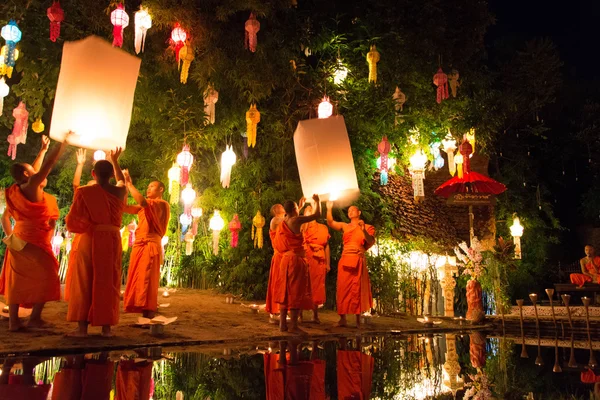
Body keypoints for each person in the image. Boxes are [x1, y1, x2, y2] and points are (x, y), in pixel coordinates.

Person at [0, 135, 69, 331]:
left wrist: (42, 150)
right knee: (47, 275)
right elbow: (48, 165)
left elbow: (37, 168)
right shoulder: (31, 186)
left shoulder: (16, 189)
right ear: (26, 173)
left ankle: (14, 321)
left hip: (18, 237)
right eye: (32, 170)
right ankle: (34, 318)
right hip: (34, 239)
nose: (37, 172)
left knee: (17, 279)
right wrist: (62, 144)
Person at [65, 150, 127, 337]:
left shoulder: (85, 192)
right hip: (111, 239)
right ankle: (106, 328)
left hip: (90, 238)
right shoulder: (119, 191)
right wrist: (115, 160)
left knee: (84, 279)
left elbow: (73, 221)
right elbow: (122, 180)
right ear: (111, 175)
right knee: (108, 280)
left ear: (93, 174)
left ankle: (82, 328)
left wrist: (89, 224)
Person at [122, 171, 170, 318]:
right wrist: (124, 186)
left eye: (152, 186)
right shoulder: (146, 205)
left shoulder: (161, 204)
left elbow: (143, 202)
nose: (148, 189)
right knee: (138, 277)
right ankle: (142, 309)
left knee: (148, 278)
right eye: (148, 187)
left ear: (160, 189)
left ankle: (149, 311)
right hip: (139, 244)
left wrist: (130, 184)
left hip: (150, 244)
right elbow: (125, 207)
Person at [273, 195, 320, 333]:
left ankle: (283, 324)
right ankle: (293, 325)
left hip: (285, 260)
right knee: (294, 291)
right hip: (295, 261)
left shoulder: (283, 221)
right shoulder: (296, 220)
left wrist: (299, 205)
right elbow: (317, 214)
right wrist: (317, 202)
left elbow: (292, 215)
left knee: (284, 290)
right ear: (294, 209)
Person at [326, 202, 375, 328]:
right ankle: (342, 318)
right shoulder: (345, 226)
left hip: (358, 258)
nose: (350, 211)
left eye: (353, 210)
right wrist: (329, 208)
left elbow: (370, 241)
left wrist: (363, 230)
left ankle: (358, 319)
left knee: (357, 289)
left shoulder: (367, 227)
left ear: (359, 213)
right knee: (342, 288)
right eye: (348, 210)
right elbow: (330, 222)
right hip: (345, 258)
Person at [302, 203, 330, 323]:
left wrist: (328, 263)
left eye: (311, 210)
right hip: (305, 257)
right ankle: (299, 315)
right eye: (307, 211)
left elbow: (326, 246)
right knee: (302, 286)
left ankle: (315, 314)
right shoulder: (302, 227)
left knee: (317, 286)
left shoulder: (323, 228)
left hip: (318, 259)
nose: (310, 212)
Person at [265, 204, 285, 322]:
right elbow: (289, 221)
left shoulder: (285, 219)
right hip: (279, 256)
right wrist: (298, 209)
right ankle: (274, 310)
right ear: (275, 210)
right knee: (277, 283)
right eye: (279, 206)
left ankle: (283, 309)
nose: (282, 206)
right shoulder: (275, 220)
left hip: (287, 256)